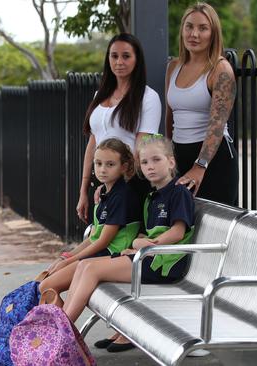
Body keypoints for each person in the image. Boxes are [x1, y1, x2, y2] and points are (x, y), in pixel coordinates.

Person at [61, 136, 195, 353]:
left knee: (91, 269)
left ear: (171, 162)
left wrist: (147, 244)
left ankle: (62, 334)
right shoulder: (153, 197)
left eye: (156, 160)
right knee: (84, 266)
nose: (150, 166)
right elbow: (149, 232)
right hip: (149, 256)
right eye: (144, 162)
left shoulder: (178, 192)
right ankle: (64, 328)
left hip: (164, 263)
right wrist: (138, 244)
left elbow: (178, 232)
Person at [39, 138, 141, 303]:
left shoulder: (122, 196)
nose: (102, 170)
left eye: (110, 164)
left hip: (110, 256)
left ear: (124, 167)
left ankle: (62, 328)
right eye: (98, 163)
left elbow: (102, 241)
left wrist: (69, 261)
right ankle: (62, 327)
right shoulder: (104, 193)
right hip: (98, 253)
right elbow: (93, 236)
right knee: (45, 285)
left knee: (47, 286)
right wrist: (66, 257)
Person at [76, 33, 162, 223]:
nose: (119, 62)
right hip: (104, 181)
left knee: (117, 245)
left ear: (137, 60)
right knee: (96, 239)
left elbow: (142, 149)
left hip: (129, 184)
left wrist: (115, 186)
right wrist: (83, 190)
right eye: (114, 56)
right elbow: (93, 143)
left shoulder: (148, 97)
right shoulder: (99, 95)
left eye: (126, 56)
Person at [165, 2, 238, 205]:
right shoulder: (173, 67)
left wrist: (200, 166)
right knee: (181, 230)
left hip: (213, 162)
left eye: (202, 28)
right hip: (179, 157)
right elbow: (169, 118)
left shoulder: (220, 70)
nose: (194, 34)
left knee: (211, 231)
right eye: (189, 26)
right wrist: (167, 157)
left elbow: (217, 126)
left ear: (213, 33)